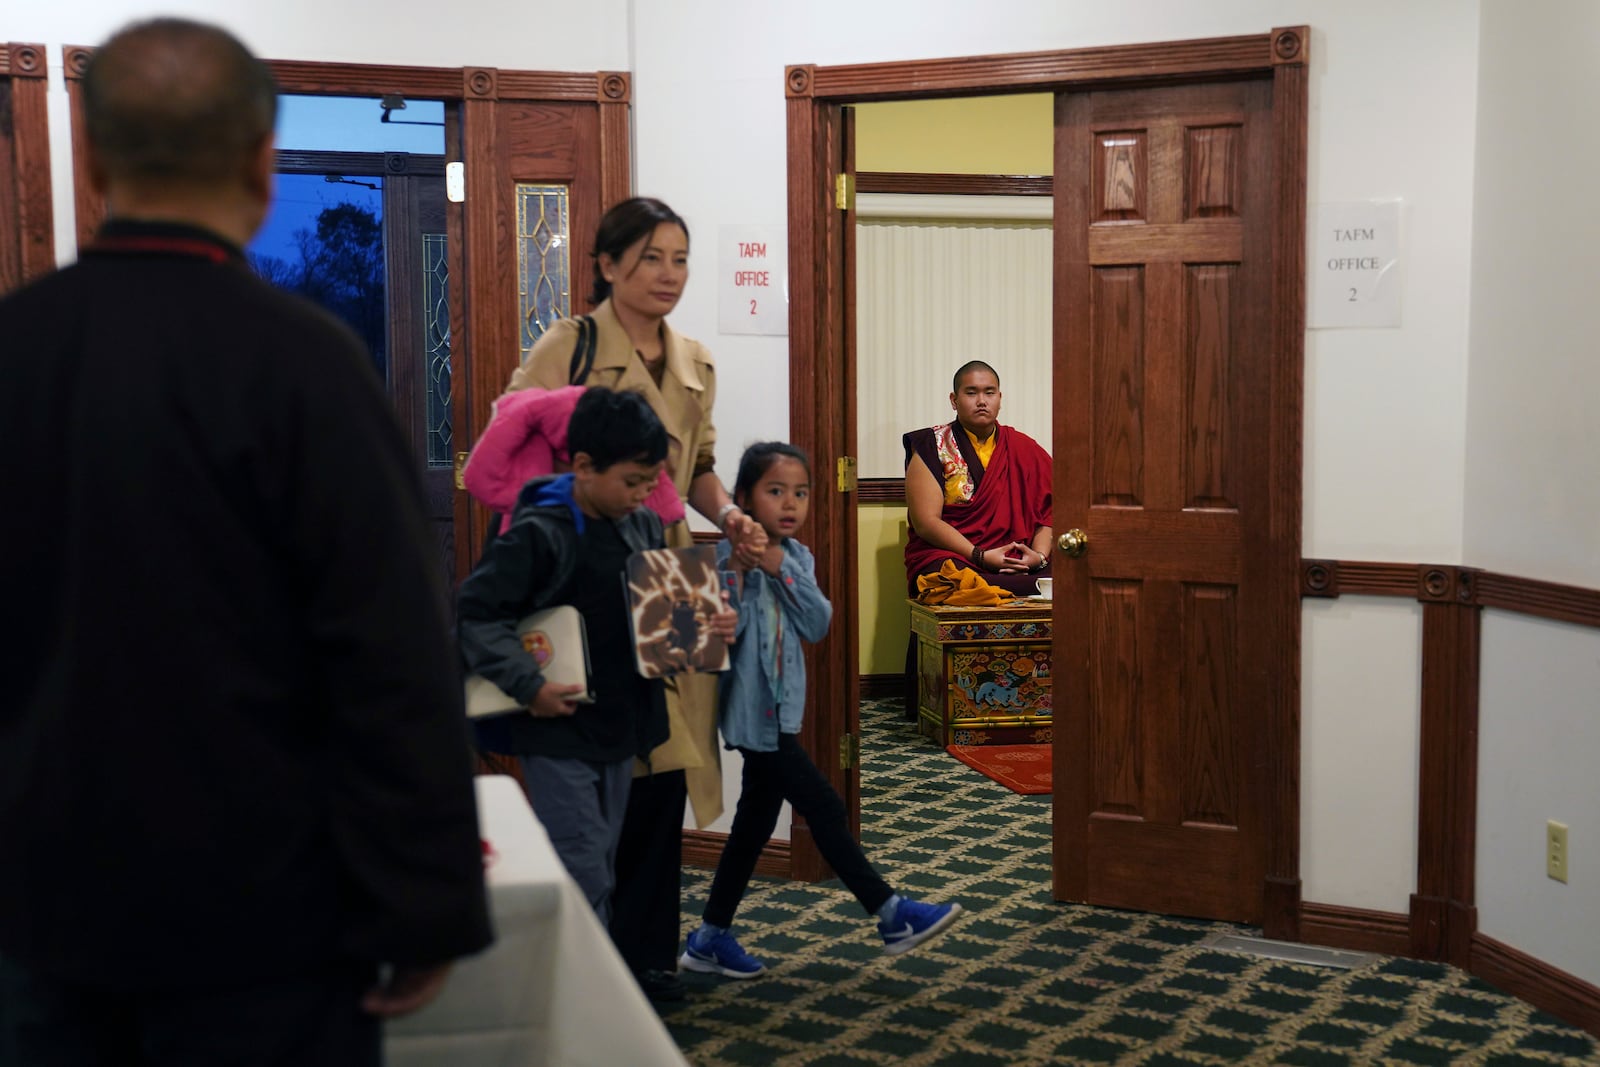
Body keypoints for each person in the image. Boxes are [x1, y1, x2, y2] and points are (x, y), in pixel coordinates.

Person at [0, 18, 492, 1066]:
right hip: (265, 904)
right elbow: (392, 655)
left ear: (89, 163)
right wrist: (422, 895)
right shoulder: (308, 367)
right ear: (262, 165)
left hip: (39, 892)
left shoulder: (16, 353)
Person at [506, 196, 764, 1000]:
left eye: (681, 258)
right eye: (651, 257)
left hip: (674, 575)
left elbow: (699, 469)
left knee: (668, 762)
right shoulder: (569, 345)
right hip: (583, 570)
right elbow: (510, 445)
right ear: (607, 264)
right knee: (602, 757)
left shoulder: (694, 360)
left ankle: (648, 955)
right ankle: (592, 963)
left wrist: (729, 515)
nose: (669, 274)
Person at [680, 443, 964, 980]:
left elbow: (817, 621)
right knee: (827, 808)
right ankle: (890, 912)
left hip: (783, 714)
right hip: (750, 719)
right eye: (775, 491)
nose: (791, 504)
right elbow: (712, 640)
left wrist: (775, 564)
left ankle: (710, 937)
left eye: (801, 493)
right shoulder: (719, 561)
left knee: (753, 826)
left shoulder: (798, 558)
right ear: (742, 499)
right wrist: (739, 575)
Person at [457, 387, 735, 925]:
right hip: (557, 729)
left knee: (601, 866)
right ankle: (580, 1001)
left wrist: (706, 625)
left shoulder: (642, 524)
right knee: (582, 872)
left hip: (621, 726)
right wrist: (528, 685)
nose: (642, 494)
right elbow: (476, 615)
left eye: (651, 482)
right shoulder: (535, 530)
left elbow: (663, 620)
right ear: (583, 465)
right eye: (631, 482)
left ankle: (587, 991)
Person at [903, 360, 1054, 598]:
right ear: (954, 400)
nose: (982, 401)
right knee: (947, 580)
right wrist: (980, 556)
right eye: (971, 392)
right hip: (960, 557)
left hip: (1016, 561)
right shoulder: (932, 446)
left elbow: (1050, 511)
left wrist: (1039, 557)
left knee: (1065, 579)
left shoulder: (1024, 448)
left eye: (989, 393)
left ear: (999, 398)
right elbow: (926, 523)